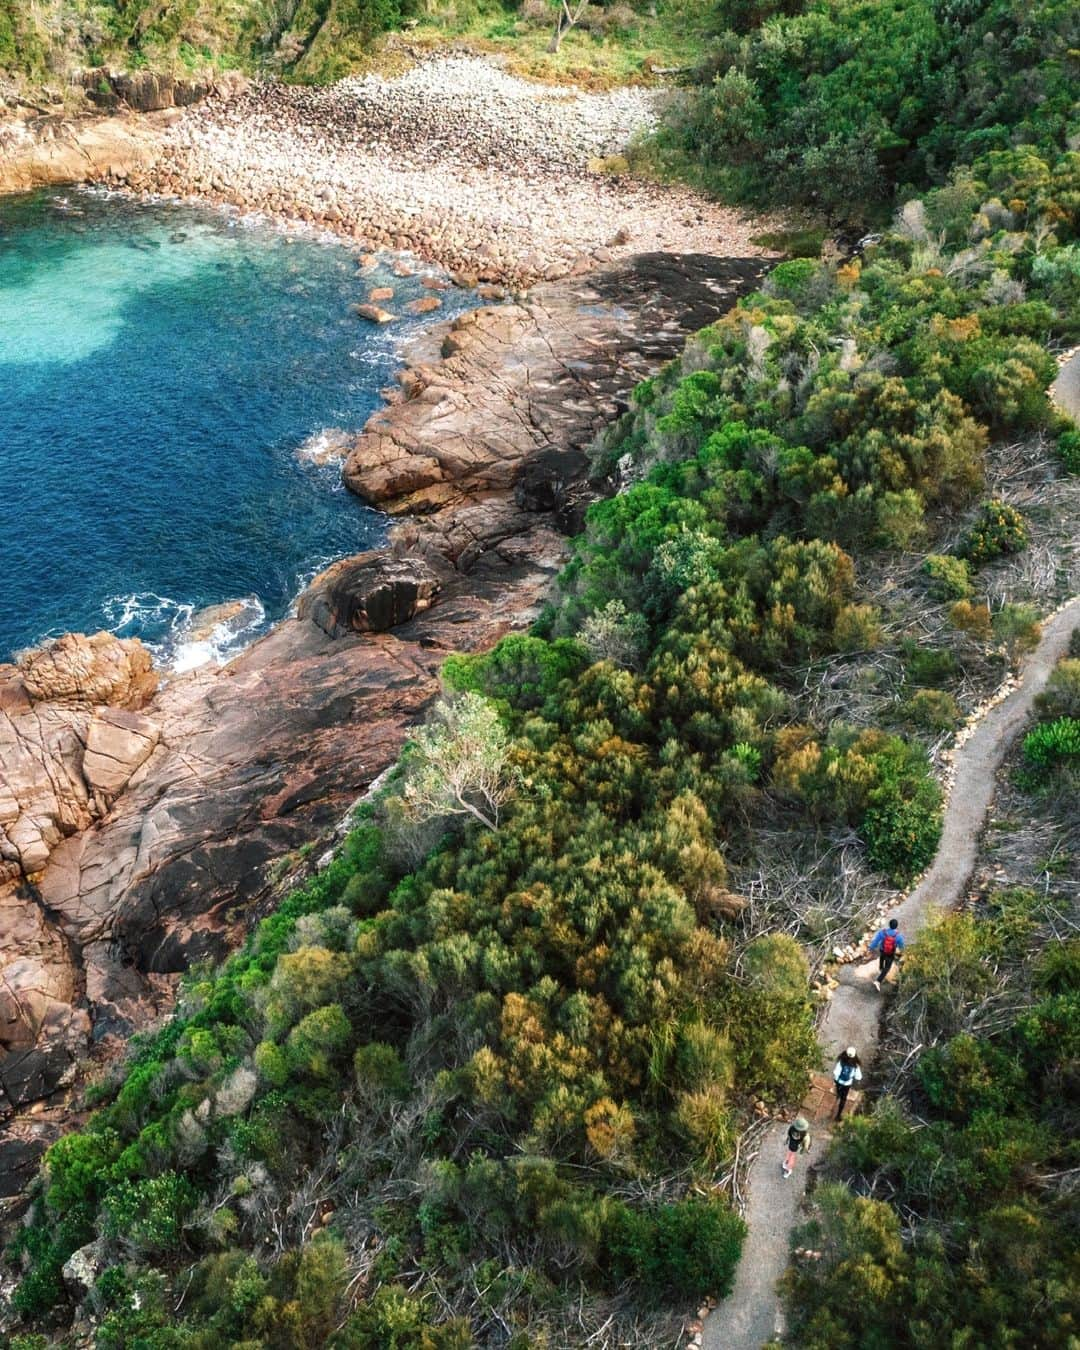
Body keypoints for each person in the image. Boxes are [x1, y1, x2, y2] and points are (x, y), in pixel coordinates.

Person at [869, 918, 905, 990]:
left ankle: (881, 968)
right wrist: (903, 952)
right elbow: (902, 946)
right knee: (887, 967)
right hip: (890, 953)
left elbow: (876, 941)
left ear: (889, 925)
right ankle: (878, 981)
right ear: (896, 926)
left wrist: (871, 948)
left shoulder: (883, 932)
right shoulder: (898, 936)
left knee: (882, 958)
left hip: (882, 950)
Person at [832, 1047, 862, 1120]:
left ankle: (837, 1097)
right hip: (847, 1084)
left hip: (839, 1082)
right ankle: (838, 1115)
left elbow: (836, 1073)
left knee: (838, 1093)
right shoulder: (856, 1066)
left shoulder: (841, 1062)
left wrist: (835, 1081)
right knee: (843, 1098)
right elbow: (859, 1077)